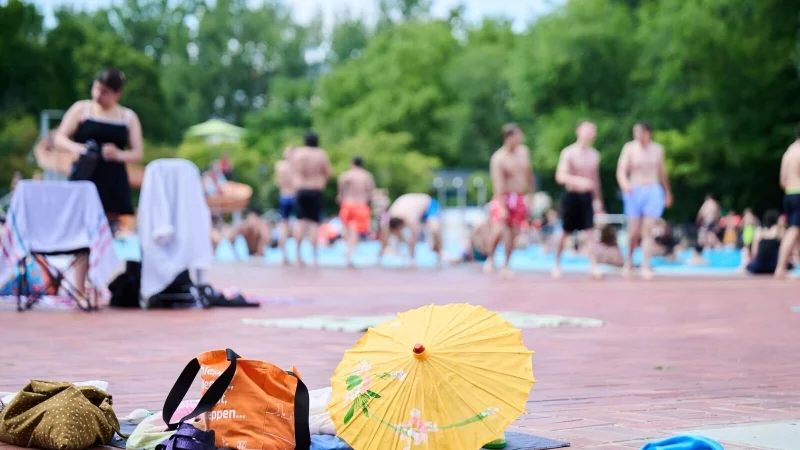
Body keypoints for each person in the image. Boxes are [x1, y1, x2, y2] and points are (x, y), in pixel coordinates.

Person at [55, 68, 143, 226]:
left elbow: (138, 153)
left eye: (104, 92)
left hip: (112, 184)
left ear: (117, 93)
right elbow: (59, 138)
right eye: (96, 88)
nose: (97, 95)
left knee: (107, 232)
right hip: (84, 177)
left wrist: (118, 154)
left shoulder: (128, 117)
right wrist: (77, 148)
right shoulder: (81, 109)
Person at [616, 121, 673, 279]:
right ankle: (629, 262)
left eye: (640, 132)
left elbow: (662, 172)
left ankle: (645, 265)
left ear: (648, 133)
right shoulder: (629, 148)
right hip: (634, 190)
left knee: (648, 229)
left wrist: (668, 192)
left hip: (653, 190)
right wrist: (625, 185)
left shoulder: (657, 149)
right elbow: (621, 171)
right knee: (633, 232)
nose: (638, 136)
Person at [553, 120, 604, 279]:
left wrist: (598, 199)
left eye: (593, 131)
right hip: (572, 196)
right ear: (578, 131)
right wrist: (579, 181)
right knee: (565, 231)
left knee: (590, 232)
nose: (591, 133)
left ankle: (593, 265)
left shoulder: (595, 155)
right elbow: (560, 176)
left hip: (587, 197)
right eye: (588, 130)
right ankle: (557, 263)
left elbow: (595, 180)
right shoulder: (568, 153)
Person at [486, 123, 535, 276]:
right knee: (499, 229)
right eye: (517, 136)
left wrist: (531, 194)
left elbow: (528, 174)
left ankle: (506, 264)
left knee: (513, 232)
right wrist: (501, 206)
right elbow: (498, 183)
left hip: (518, 195)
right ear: (508, 137)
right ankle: (490, 257)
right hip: (503, 196)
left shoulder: (524, 152)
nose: (520, 138)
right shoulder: (498, 158)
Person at [289, 132, 331, 267]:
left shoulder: (298, 154)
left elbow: (292, 171)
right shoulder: (320, 154)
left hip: (301, 189)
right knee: (313, 224)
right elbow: (328, 173)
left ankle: (297, 256)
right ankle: (314, 258)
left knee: (300, 222)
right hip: (315, 189)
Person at [378, 193, 442, 268]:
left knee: (435, 229)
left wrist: (412, 258)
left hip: (428, 204)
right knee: (392, 235)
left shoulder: (410, 217)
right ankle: (436, 250)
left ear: (401, 226)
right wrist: (380, 254)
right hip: (409, 203)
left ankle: (439, 252)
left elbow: (414, 236)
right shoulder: (388, 217)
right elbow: (384, 235)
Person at [337, 156, 376, 267]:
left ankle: (346, 248)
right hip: (360, 204)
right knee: (355, 231)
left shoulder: (345, 175)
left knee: (345, 228)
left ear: (351, 163)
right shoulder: (366, 175)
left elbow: (340, 194)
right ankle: (349, 254)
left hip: (347, 203)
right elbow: (371, 192)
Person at [775, 123, 800, 279]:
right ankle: (780, 268)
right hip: (798, 193)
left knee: (796, 230)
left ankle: (782, 267)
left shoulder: (789, 151)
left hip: (789, 193)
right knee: (794, 230)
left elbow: (782, 180)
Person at [747, 210, 793, 275]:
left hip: (759, 266)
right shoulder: (780, 231)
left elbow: (754, 251)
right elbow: (784, 249)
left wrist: (753, 261)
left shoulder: (759, 231)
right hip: (775, 265)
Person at [274, 146, 296, 265]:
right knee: (298, 225)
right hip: (293, 196)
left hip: (283, 196)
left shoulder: (279, 166)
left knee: (284, 226)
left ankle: (284, 256)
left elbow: (278, 182)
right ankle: (297, 256)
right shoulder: (295, 166)